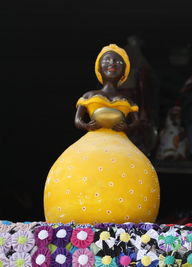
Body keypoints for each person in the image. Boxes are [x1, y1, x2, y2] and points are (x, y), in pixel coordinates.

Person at [43, 44, 160, 224]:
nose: (111, 63)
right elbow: (77, 120)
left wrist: (125, 127)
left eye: (117, 61)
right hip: (90, 142)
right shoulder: (90, 95)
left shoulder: (127, 101)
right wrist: (87, 124)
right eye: (107, 60)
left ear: (124, 71)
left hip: (121, 145)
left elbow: (136, 121)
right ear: (99, 68)